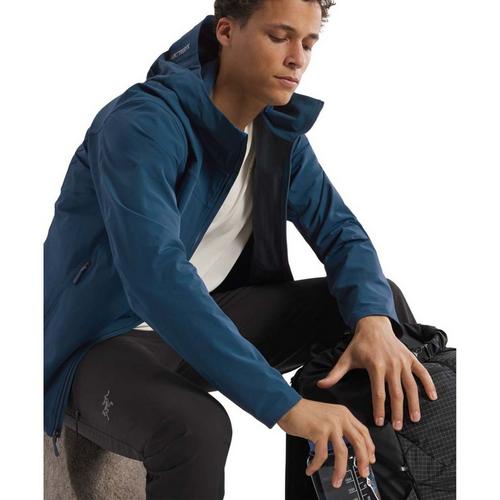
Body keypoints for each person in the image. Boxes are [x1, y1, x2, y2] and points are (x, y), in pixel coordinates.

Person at [44, 0, 438, 498]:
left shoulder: (275, 131)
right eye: (280, 37)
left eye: (308, 42)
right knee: (197, 429)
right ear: (226, 32)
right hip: (102, 340)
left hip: (203, 317)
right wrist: (284, 406)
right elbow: (156, 277)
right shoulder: (143, 124)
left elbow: (341, 233)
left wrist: (374, 322)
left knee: (375, 309)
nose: (298, 58)